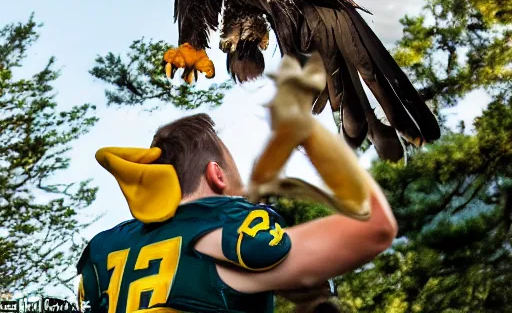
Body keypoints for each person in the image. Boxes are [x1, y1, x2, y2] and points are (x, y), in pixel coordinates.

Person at [77, 54, 397, 313]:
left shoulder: (107, 252)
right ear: (216, 175)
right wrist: (306, 131)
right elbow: (375, 227)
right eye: (236, 175)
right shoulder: (219, 236)